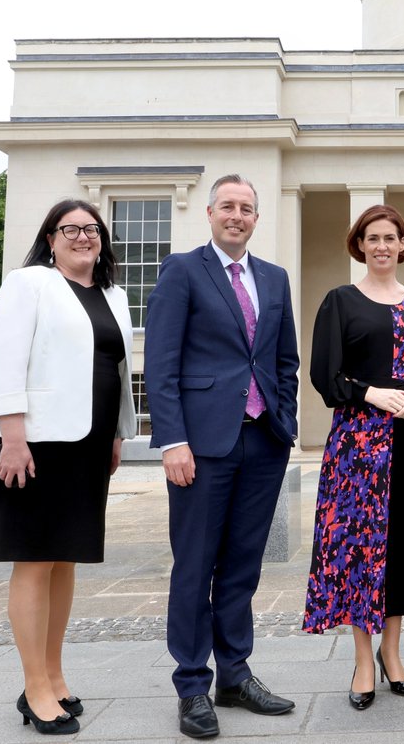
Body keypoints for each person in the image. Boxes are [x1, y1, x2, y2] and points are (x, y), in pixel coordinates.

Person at [145, 174, 300, 739]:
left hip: (262, 443)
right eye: (228, 206)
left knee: (242, 565)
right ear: (209, 213)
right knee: (195, 565)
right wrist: (172, 440)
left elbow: (286, 361)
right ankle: (192, 685)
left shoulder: (275, 278)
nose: (237, 215)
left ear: (257, 219)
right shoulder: (183, 270)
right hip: (201, 446)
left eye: (247, 208)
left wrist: (285, 424)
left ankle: (233, 674)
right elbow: (161, 365)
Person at [0, 199, 136, 736]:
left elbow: (115, 368)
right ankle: (33, 688)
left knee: (65, 559)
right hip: (37, 442)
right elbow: (4, 358)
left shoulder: (113, 295)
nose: (82, 237)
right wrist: (12, 437)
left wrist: (118, 434)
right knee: (34, 559)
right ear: (51, 237)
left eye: (91, 229)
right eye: (70, 229)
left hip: (90, 443)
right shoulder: (29, 284)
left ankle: (54, 673)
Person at [303, 204, 404, 711]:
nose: (383, 245)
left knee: (401, 548)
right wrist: (370, 394)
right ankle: (363, 660)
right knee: (359, 550)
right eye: (373, 238)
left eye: (391, 237)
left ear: (403, 245)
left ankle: (393, 653)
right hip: (356, 447)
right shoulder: (340, 301)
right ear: (359, 245)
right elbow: (325, 374)